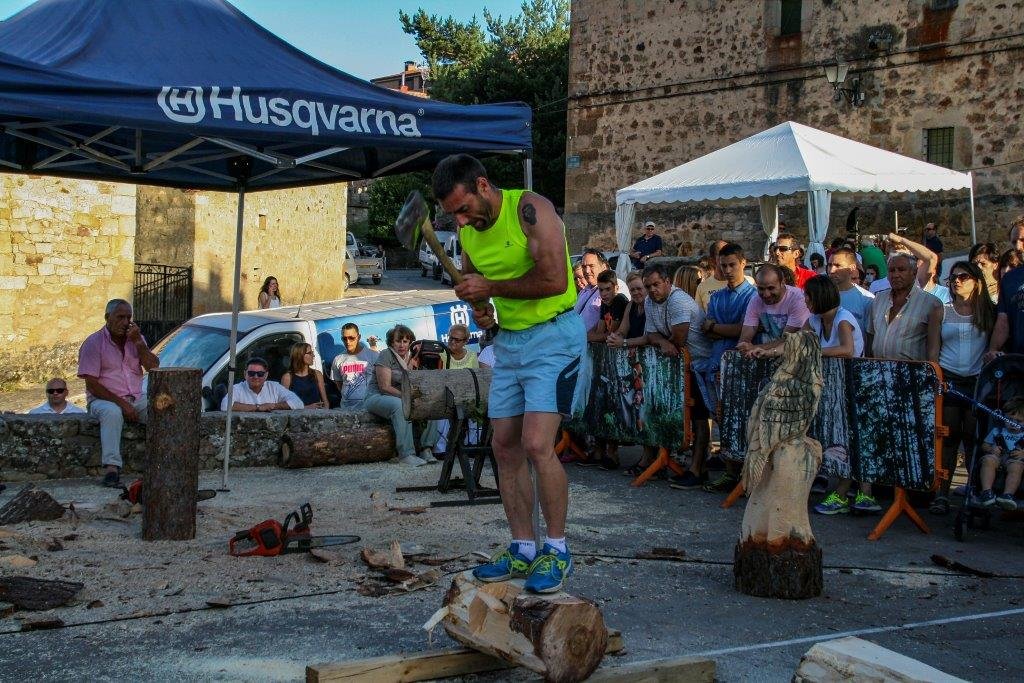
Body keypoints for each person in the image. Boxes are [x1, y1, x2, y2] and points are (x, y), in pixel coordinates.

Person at [435, 153, 584, 594]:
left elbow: (556, 280)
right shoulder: (468, 235)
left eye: (464, 208)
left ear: (483, 186)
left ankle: (556, 550)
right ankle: (522, 547)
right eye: (452, 214)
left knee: (538, 444)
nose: (460, 220)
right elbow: (475, 286)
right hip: (511, 341)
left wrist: (492, 289)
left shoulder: (530, 210)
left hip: (554, 336)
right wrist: (482, 312)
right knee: (504, 445)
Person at [929, 261, 995, 515]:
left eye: (963, 276)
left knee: (973, 439)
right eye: (953, 277)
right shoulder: (941, 311)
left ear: (976, 281)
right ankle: (942, 493)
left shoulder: (988, 312)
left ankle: (974, 491)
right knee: (948, 437)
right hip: (950, 379)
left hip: (978, 380)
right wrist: (936, 377)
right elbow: (933, 350)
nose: (956, 281)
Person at [78, 299, 159, 487]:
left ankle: (162, 460)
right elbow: (92, 384)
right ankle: (112, 468)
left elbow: (153, 367)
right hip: (103, 399)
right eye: (120, 317)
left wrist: (139, 342)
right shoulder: (93, 343)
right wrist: (123, 405)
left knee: (161, 410)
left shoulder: (136, 340)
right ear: (108, 318)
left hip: (136, 398)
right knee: (112, 413)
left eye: (128, 317)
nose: (125, 322)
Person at [698, 243, 757, 493]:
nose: (728, 270)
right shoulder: (717, 296)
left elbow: (745, 331)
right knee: (721, 418)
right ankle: (730, 472)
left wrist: (716, 328)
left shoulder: (752, 296)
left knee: (743, 420)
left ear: (743, 263)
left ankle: (748, 474)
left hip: (741, 367)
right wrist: (717, 329)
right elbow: (706, 329)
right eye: (724, 265)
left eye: (732, 265)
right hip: (716, 363)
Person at [665, 265, 714, 490]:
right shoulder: (673, 302)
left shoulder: (682, 303)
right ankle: (696, 465)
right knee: (694, 416)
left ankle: (697, 467)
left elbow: (679, 338)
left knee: (700, 417)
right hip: (690, 363)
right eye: (696, 280)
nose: (699, 282)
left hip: (699, 362)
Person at [363, 324, 440, 467]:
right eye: (398, 341)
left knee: (427, 403)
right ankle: (406, 454)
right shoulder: (386, 354)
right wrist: (408, 398)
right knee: (399, 406)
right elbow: (384, 387)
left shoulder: (411, 358)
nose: (402, 345)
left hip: (400, 396)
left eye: (405, 341)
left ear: (410, 342)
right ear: (392, 342)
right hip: (376, 397)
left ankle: (426, 449)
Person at [735, 264, 811, 357]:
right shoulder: (755, 300)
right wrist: (744, 347)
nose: (766, 294)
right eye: (761, 289)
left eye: (771, 288)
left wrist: (754, 347)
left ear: (782, 283)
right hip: (766, 349)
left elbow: (787, 340)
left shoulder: (798, 299)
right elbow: (745, 338)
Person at [977, 398, 1024, 510]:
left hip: (1014, 460)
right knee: (988, 460)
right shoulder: (997, 431)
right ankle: (987, 492)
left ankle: (1008, 495)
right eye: (1010, 419)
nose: (1013, 424)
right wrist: (991, 449)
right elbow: (984, 445)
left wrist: (1023, 453)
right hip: (997, 457)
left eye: (1019, 421)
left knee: (1017, 467)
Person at [221, 357, 304, 412]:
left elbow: (298, 403)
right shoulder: (237, 388)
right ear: (245, 374)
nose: (255, 377)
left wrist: (273, 406)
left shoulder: (274, 387)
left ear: (266, 375)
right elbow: (225, 406)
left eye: (260, 373)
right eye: (251, 373)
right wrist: (258, 407)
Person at [330, 323, 378, 409]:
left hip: (369, 408)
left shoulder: (373, 356)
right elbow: (339, 384)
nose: (348, 342)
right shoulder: (338, 359)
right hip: (347, 408)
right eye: (344, 338)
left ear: (358, 337)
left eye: (351, 338)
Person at [827, 247, 875, 331]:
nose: (832, 270)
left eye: (838, 265)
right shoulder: (821, 294)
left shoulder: (867, 299)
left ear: (852, 268)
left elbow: (870, 333)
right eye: (830, 265)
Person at [281, 342, 329, 408]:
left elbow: (325, 401)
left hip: (317, 415)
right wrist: (306, 407)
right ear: (300, 355)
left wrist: (326, 413)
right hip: (296, 416)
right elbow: (283, 405)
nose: (313, 356)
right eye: (310, 353)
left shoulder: (317, 374)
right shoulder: (287, 377)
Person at [587, 270, 629, 343]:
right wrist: (591, 336)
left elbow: (612, 334)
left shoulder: (619, 300)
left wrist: (590, 337)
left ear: (616, 288)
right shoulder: (604, 303)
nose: (604, 294)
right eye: (601, 290)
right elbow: (600, 331)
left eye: (608, 289)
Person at [607, 271, 647, 347]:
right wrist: (615, 338)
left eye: (639, 289)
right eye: (632, 290)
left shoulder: (651, 305)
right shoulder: (631, 305)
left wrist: (624, 342)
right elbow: (622, 331)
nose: (635, 292)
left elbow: (649, 337)